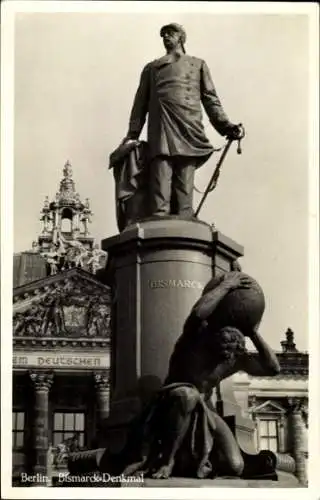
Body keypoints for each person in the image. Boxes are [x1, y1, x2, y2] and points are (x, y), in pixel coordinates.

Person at [120, 271, 280, 479]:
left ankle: (192, 462)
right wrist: (225, 286)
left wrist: (253, 332)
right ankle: (167, 462)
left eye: (229, 352)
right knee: (187, 395)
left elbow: (273, 368)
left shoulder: (234, 357)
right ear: (213, 338)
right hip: (172, 400)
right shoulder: (193, 338)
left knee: (234, 466)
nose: (224, 355)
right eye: (221, 347)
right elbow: (197, 314)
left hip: (204, 408)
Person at [123, 23, 243, 218]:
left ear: (181, 37)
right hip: (161, 127)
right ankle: (160, 217)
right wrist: (132, 134)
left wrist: (225, 126)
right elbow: (139, 105)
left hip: (189, 125)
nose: (166, 37)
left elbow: (210, 99)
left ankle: (185, 215)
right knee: (161, 171)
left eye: (171, 33)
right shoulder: (151, 68)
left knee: (185, 174)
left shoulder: (198, 65)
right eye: (163, 35)